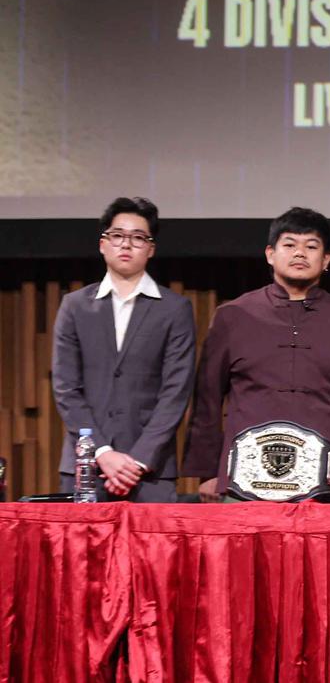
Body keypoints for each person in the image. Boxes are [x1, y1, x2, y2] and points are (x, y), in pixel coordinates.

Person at [183, 207, 330, 501]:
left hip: (323, 484)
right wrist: (208, 472)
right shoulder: (233, 316)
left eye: (311, 246)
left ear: (326, 259)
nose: (300, 253)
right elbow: (208, 398)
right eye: (289, 244)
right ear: (270, 254)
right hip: (243, 483)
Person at [52, 197, 196, 502]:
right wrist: (102, 452)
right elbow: (66, 389)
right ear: (103, 244)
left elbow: (176, 392)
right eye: (117, 235)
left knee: (154, 551)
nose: (126, 245)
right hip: (86, 466)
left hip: (151, 472)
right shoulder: (74, 306)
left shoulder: (175, 309)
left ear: (151, 248)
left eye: (138, 238)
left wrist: (138, 460)